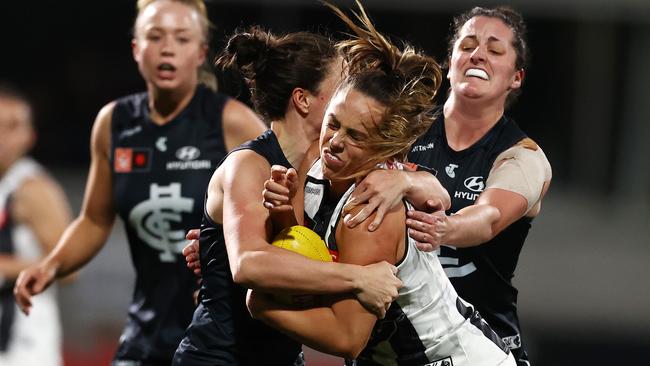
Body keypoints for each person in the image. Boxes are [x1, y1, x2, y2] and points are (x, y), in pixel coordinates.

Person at [248, 2, 516, 365]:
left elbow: (348, 338)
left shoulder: (371, 211)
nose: (335, 141)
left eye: (355, 135)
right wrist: (280, 217)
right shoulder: (316, 161)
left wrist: (261, 305)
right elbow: (310, 253)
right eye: (333, 122)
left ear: (383, 149)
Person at [13, 0, 269, 364]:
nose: (167, 47)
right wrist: (49, 265)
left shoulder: (233, 124)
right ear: (136, 49)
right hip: (146, 335)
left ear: (200, 54)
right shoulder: (114, 123)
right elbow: (95, 219)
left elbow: (279, 213)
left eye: (181, 38)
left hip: (219, 337)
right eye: (155, 36)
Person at [172, 24, 417, 365]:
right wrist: (358, 278)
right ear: (303, 99)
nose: (351, 93)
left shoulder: (317, 172)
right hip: (221, 357)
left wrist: (415, 183)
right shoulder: (250, 165)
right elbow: (248, 264)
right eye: (341, 83)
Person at [340, 6, 552, 365]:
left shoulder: (523, 156)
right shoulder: (400, 133)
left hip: (482, 349)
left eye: (494, 49)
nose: (478, 53)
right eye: (467, 45)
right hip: (389, 351)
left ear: (516, 78)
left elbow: (488, 217)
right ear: (449, 62)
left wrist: (445, 226)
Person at [0, 85, 72, 365]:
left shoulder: (33, 189)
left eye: (12, 126)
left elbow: (68, 269)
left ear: (30, 136)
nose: (2, 135)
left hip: (24, 346)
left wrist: (5, 267)